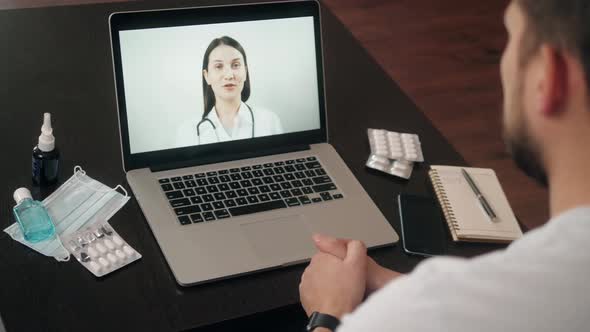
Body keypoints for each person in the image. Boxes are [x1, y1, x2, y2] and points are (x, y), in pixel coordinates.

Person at [299, 0, 590, 331]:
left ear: (550, 76)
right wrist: (389, 283)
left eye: (511, 36)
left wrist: (327, 311)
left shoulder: (423, 310)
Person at [176, 36, 283, 146]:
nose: (229, 75)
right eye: (218, 66)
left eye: (235, 65)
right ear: (206, 76)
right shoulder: (188, 131)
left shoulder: (269, 120)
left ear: (245, 72)